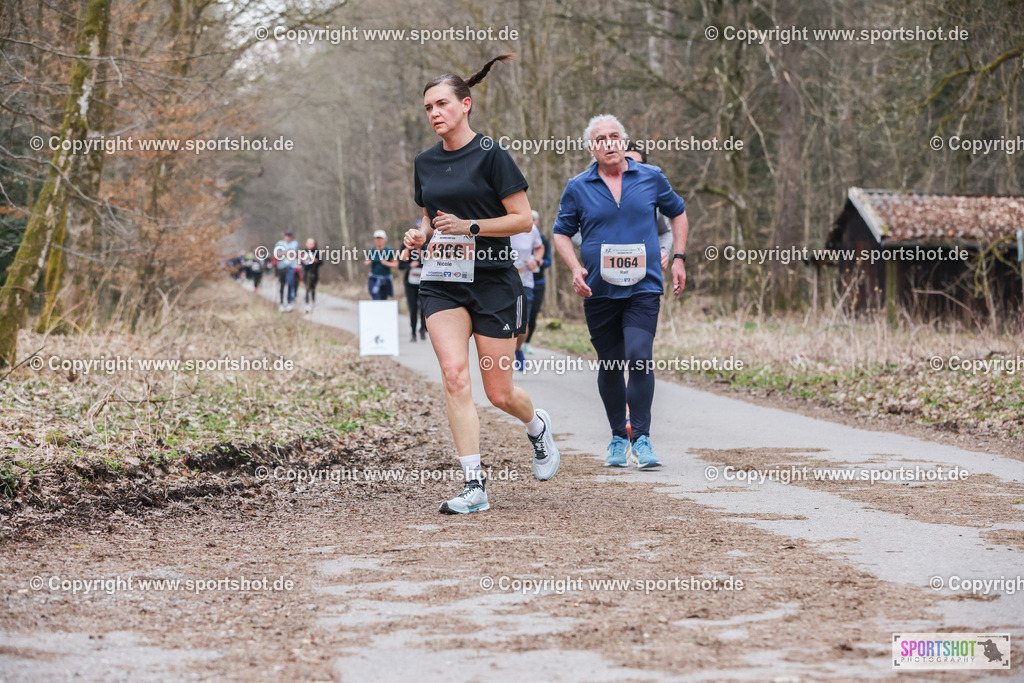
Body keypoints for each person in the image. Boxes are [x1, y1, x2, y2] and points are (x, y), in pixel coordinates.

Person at [403, 54, 559, 514]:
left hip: (492, 282)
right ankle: (474, 485)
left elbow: (522, 218)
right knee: (454, 377)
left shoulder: (492, 155)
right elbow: (432, 219)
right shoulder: (424, 162)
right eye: (428, 107)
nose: (434, 113)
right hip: (443, 282)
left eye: (442, 104)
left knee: (499, 393)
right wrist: (421, 234)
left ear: (465, 105)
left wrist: (470, 227)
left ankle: (538, 427)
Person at [552, 114, 689, 470]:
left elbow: (679, 213)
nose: (609, 143)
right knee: (611, 362)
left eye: (615, 136)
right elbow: (561, 232)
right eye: (601, 139)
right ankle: (617, 436)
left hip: (643, 286)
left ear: (624, 142)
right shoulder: (578, 186)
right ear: (591, 148)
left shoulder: (651, 177)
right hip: (598, 290)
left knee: (640, 355)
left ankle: (641, 438)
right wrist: (574, 267)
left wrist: (678, 258)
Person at [508, 218, 543, 370]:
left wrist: (536, 260)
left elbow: (539, 247)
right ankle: (504, 356)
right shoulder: (498, 223)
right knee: (503, 322)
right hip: (501, 282)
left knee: (523, 324)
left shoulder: (531, 228)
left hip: (525, 282)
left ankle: (517, 350)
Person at [523, 211, 550, 355]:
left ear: (538, 222)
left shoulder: (542, 239)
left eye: (534, 219)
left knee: (531, 315)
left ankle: (525, 343)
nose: (532, 221)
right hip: (517, 280)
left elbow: (548, 260)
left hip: (537, 281)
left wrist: (536, 262)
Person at [398, 220, 428, 341]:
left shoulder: (428, 246)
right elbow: (400, 264)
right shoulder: (406, 246)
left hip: (424, 282)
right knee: (413, 308)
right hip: (410, 283)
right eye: (417, 229)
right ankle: (413, 332)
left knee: (423, 308)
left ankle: (422, 330)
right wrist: (410, 265)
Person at [365, 230, 397, 300]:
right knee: (375, 295)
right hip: (374, 277)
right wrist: (368, 263)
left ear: (384, 240)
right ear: (374, 240)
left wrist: (386, 263)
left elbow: (396, 264)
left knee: (384, 298)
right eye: (377, 238)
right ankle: (376, 310)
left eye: (381, 238)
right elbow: (367, 261)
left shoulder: (389, 251)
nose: (379, 240)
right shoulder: (371, 251)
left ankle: (382, 310)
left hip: (386, 278)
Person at [274, 230, 300, 312]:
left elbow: (296, 254)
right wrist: (285, 253)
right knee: (282, 285)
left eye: (289, 236)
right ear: (284, 236)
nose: (288, 237)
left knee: (290, 284)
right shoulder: (279, 244)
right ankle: (281, 303)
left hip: (291, 267)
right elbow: (276, 255)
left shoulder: (295, 244)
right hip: (282, 267)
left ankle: (289, 302)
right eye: (287, 236)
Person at [301, 238, 322, 313]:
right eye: (309, 243)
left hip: (314, 273)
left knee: (313, 288)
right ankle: (306, 304)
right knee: (307, 288)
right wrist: (302, 261)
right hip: (306, 273)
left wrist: (315, 260)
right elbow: (300, 263)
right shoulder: (303, 252)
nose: (310, 245)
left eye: (312, 243)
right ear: (306, 244)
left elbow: (321, 262)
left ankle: (313, 303)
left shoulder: (317, 252)